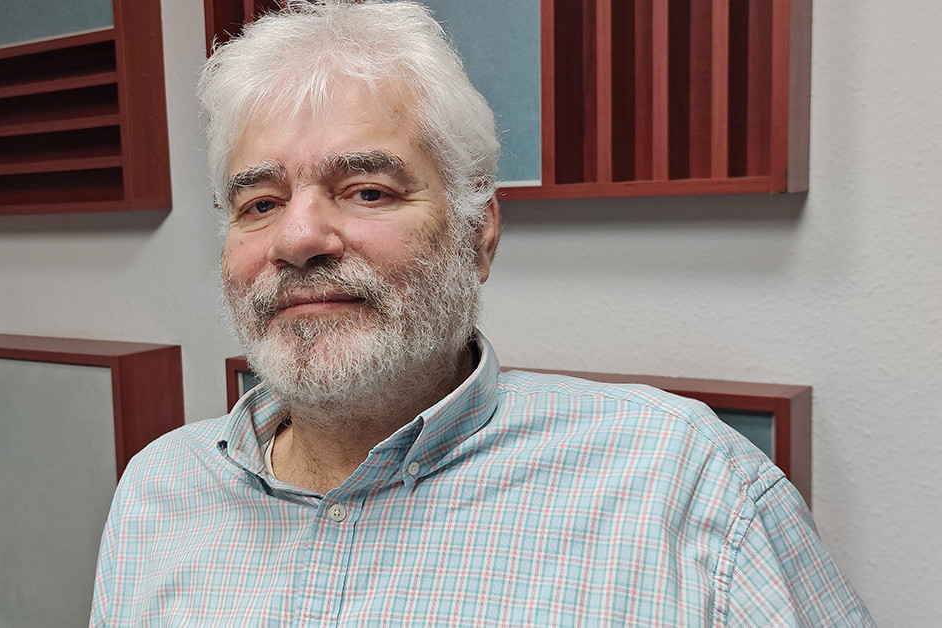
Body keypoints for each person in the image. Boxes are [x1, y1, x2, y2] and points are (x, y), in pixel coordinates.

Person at [90, 1, 874, 625]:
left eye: (368, 190)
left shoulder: (686, 488)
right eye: (260, 202)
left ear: (478, 233)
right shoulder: (159, 492)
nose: (298, 239)